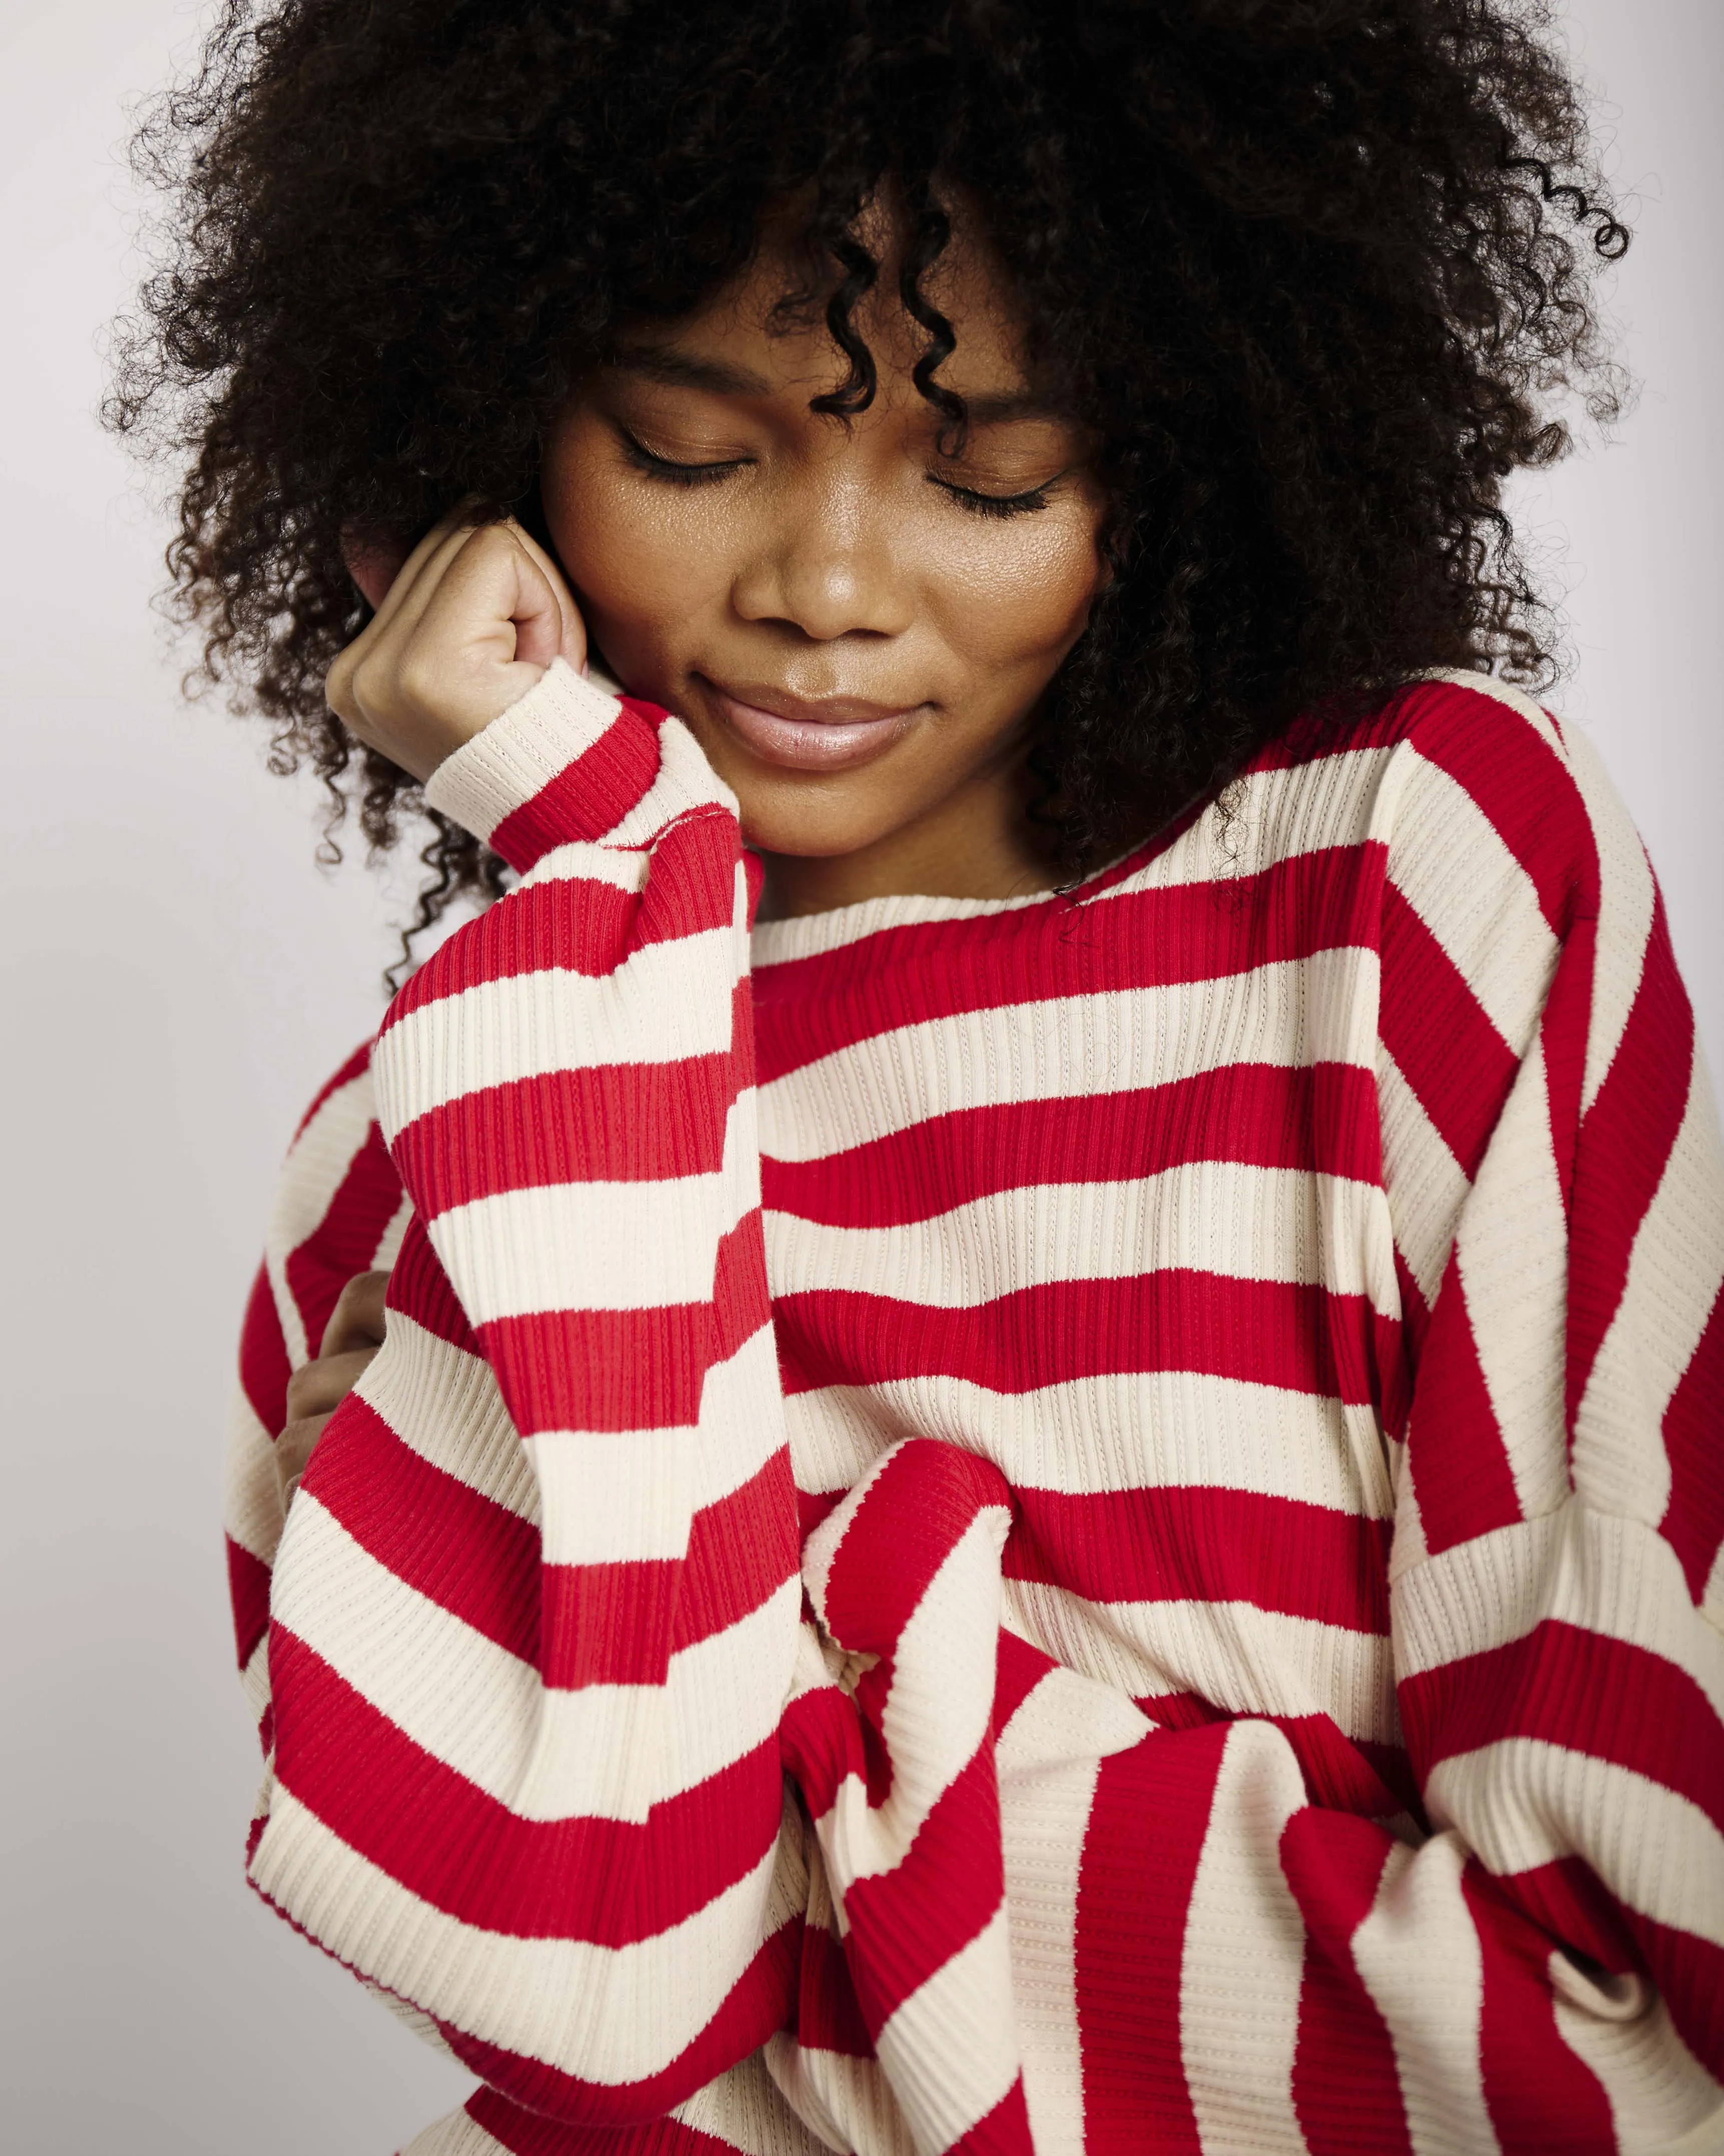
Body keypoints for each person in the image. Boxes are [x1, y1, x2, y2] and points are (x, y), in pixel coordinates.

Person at [116, 0, 1724, 2149]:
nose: (829, 593)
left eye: (989, 464)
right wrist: (599, 857)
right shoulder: (442, 1133)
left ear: (1168, 447)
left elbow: (1611, 2017)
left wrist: (634, 1619)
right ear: (484, 438)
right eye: (692, 448)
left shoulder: (1414, 883)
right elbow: (579, 2001)